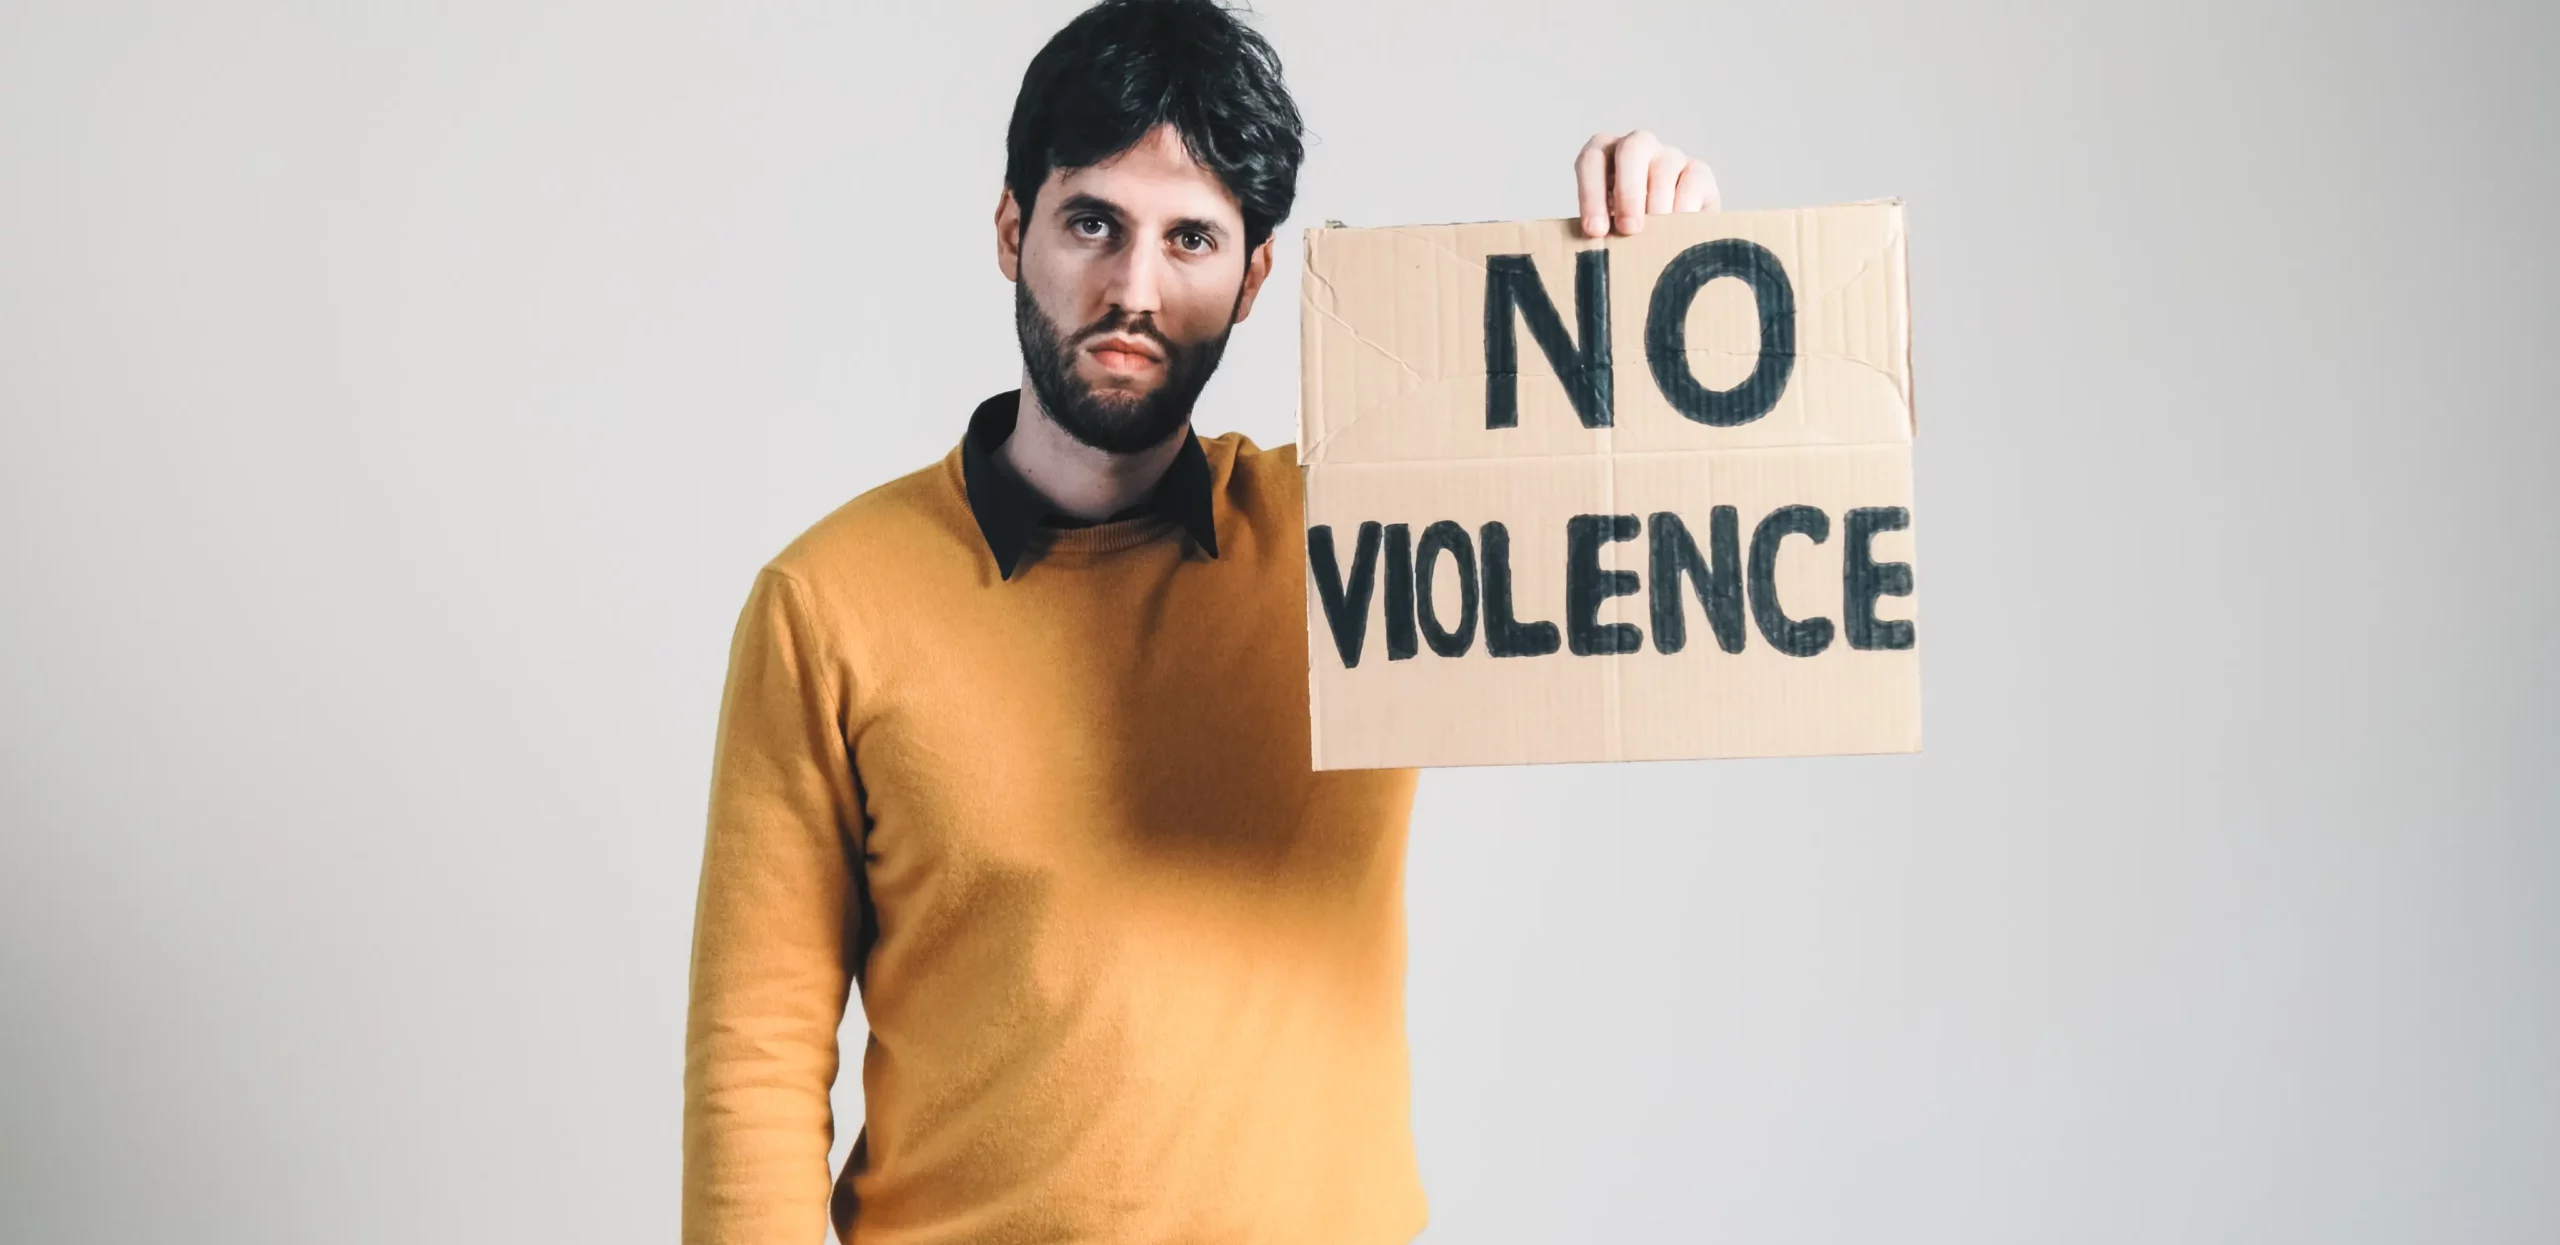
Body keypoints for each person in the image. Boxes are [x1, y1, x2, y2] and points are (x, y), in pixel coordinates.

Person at [681, 2, 1720, 1241]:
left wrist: (1669, 259)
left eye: (1190, 238)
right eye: (1091, 224)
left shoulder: (1365, 548)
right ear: (1014, 230)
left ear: (1254, 275)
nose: (1133, 288)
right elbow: (756, 1052)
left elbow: (1687, 521)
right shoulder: (826, 603)